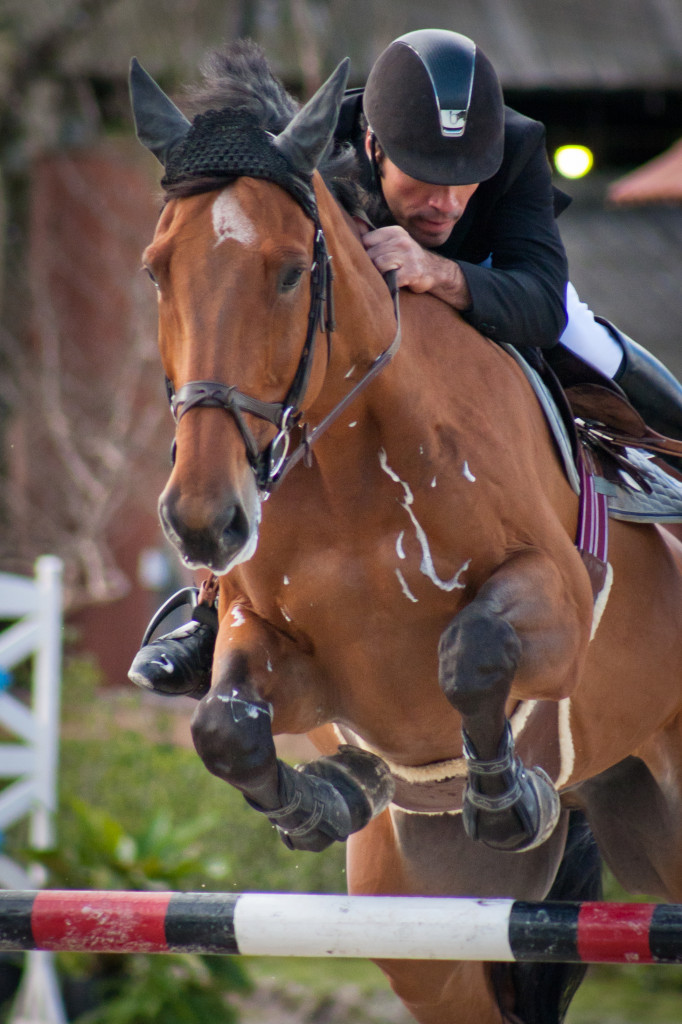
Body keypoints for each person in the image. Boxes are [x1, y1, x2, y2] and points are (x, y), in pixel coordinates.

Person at [129, 28, 682, 697]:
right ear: (372, 147)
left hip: (497, 286)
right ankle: (211, 609)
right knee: (235, 389)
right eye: (423, 181)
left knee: (587, 335)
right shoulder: (316, 144)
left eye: (464, 183)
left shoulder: (516, 146)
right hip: (350, 318)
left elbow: (539, 296)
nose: (445, 204)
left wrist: (439, 272)